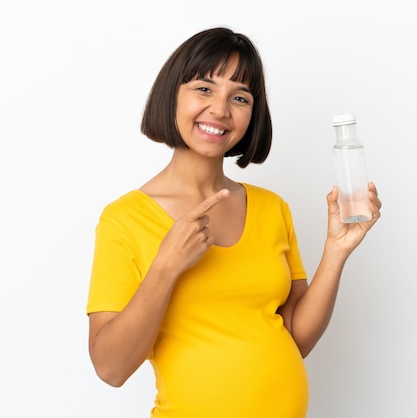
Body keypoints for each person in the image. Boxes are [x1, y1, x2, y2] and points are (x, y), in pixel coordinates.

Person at [86, 27, 381, 418]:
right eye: (204, 89)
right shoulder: (125, 219)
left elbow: (296, 337)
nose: (221, 109)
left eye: (239, 97)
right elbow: (111, 369)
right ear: (171, 94)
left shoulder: (271, 207)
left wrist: (336, 251)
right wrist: (166, 265)